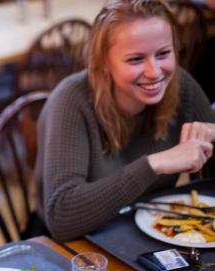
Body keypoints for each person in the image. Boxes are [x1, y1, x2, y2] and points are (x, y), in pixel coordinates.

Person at [35, 0, 215, 241]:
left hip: (150, 233)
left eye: (163, 53)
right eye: (136, 59)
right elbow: (61, 217)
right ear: (104, 62)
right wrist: (153, 164)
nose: (155, 72)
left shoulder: (181, 86)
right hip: (77, 247)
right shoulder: (70, 100)